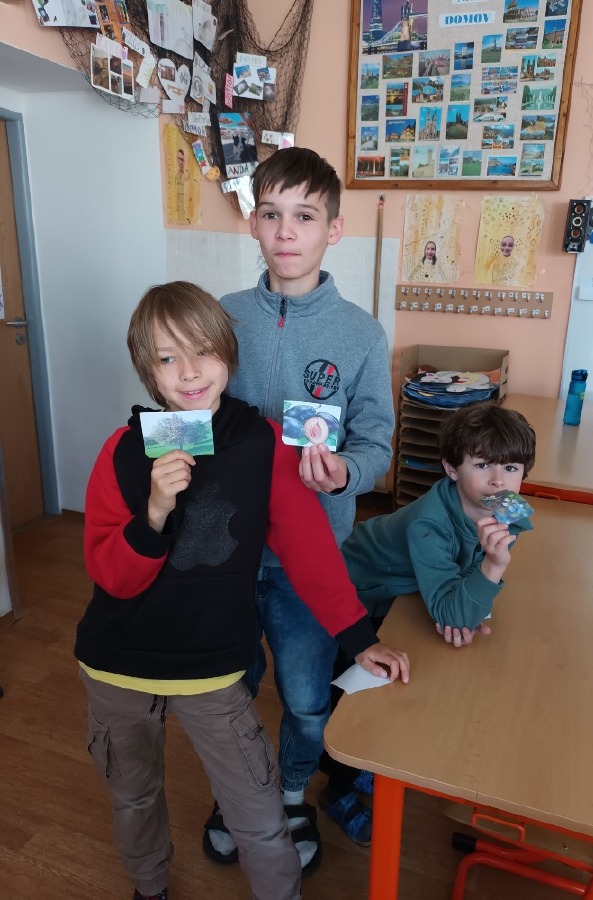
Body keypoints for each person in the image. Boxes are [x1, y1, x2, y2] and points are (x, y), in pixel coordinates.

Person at [75, 282, 409, 900]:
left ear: (228, 353)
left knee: (256, 811)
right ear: (148, 369)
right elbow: (111, 576)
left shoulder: (263, 444)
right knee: (134, 794)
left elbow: (310, 553)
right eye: (168, 357)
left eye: (203, 350)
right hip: (118, 663)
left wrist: (359, 638)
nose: (189, 372)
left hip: (210, 669)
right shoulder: (123, 451)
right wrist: (153, 514)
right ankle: (149, 888)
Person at [202, 146, 396, 870]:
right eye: (271, 214)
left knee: (308, 698)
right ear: (254, 224)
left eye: (305, 216)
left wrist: (345, 471)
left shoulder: (360, 334)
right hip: (223, 551)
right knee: (229, 690)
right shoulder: (223, 318)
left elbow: (377, 442)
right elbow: (190, 405)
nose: (286, 231)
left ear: (333, 229)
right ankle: (239, 794)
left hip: (310, 561)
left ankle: (289, 794)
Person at [320, 402, 536, 807]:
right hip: (358, 591)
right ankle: (339, 784)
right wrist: (486, 575)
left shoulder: (506, 509)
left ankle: (362, 764)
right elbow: (453, 613)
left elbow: (464, 589)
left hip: (405, 587)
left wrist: (468, 601)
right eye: (482, 465)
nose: (498, 481)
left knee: (411, 673)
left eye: (511, 468)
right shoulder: (430, 524)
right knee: (352, 692)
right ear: (451, 469)